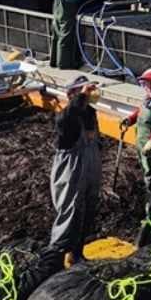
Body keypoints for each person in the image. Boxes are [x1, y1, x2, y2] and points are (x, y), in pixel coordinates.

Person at [49, 76, 102, 263]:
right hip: (71, 167)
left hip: (90, 165)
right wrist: (82, 96)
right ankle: (54, 258)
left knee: (87, 209)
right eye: (82, 91)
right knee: (69, 211)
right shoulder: (66, 116)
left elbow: (96, 138)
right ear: (72, 94)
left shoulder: (91, 113)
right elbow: (67, 118)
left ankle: (76, 254)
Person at [51, 0, 90, 69]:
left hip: (57, 11)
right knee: (66, 38)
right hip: (66, 12)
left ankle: (54, 61)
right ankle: (64, 64)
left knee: (57, 37)